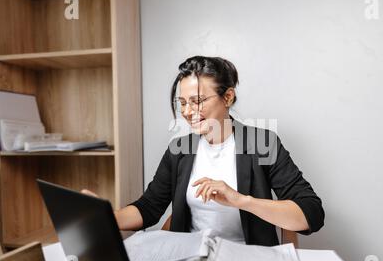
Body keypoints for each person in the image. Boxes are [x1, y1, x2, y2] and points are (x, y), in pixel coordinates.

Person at [83, 56, 324, 246]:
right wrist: (108, 218)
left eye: (197, 101)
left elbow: (310, 212)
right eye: (183, 103)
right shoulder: (179, 149)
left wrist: (241, 200)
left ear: (227, 97)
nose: (187, 111)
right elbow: (149, 207)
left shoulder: (262, 142)